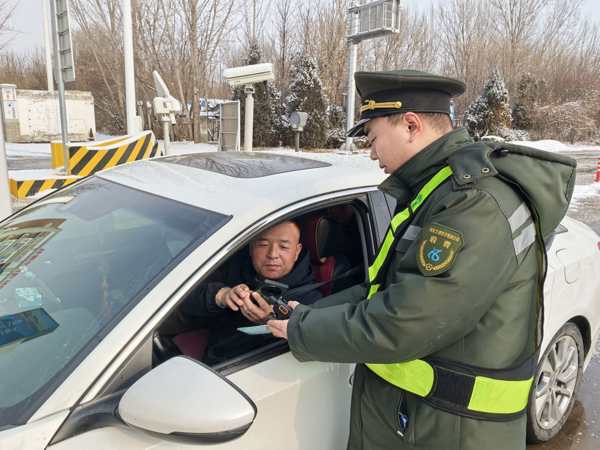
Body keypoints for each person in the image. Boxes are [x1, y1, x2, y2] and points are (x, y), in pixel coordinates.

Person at [267, 70, 575, 450]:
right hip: (421, 421)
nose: (372, 153)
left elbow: (405, 322)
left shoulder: (472, 204)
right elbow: (387, 289)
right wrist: (306, 311)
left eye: (373, 138)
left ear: (411, 125)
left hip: (453, 432)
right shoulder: (435, 191)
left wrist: (304, 330)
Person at [180, 220, 322, 361]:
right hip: (207, 353)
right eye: (263, 245)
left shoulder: (311, 301)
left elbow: (308, 349)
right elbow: (182, 300)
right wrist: (220, 295)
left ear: (297, 251)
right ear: (250, 247)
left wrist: (270, 323)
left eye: (283, 247)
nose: (272, 254)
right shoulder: (233, 266)